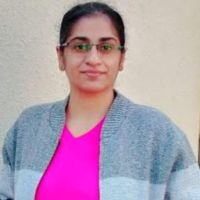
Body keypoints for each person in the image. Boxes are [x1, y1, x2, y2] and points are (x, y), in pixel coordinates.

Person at [0, 1, 200, 200]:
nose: (93, 59)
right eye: (80, 46)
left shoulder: (156, 132)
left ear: (121, 58)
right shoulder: (28, 127)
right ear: (61, 56)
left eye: (106, 47)